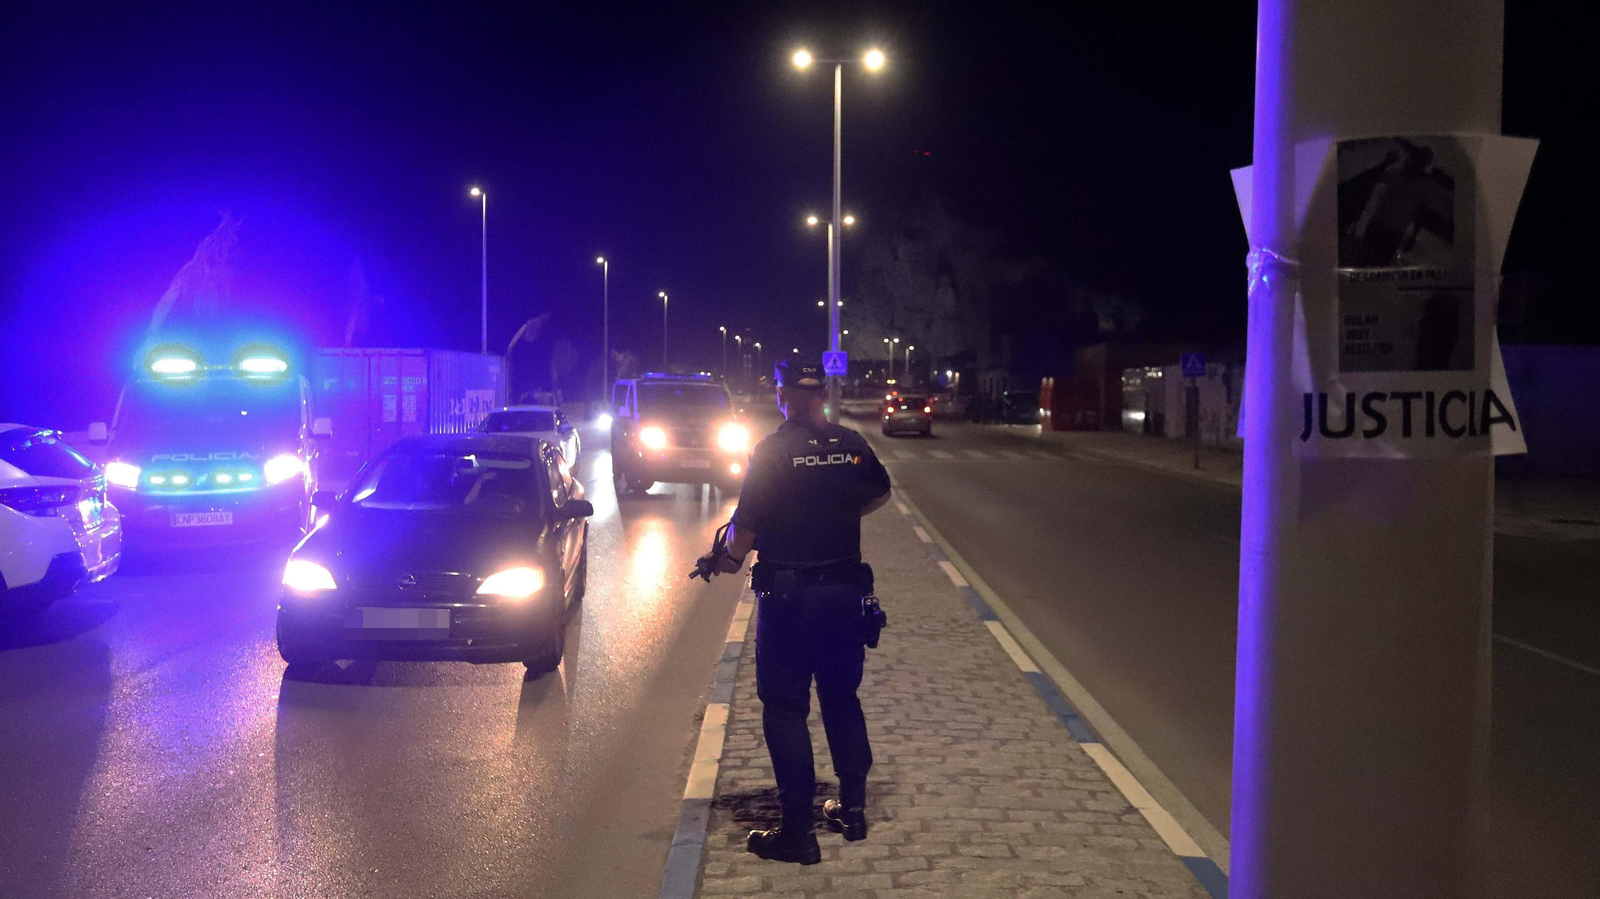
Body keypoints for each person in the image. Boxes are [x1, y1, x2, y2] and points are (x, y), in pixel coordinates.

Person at [699, 356, 892, 864]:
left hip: (790, 602)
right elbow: (880, 494)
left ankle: (798, 835)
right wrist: (835, 513)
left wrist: (726, 560)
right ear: (822, 394)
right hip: (845, 595)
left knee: (785, 710)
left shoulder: (772, 451)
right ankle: (853, 812)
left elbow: (742, 534)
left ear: (783, 395)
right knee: (842, 697)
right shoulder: (851, 444)